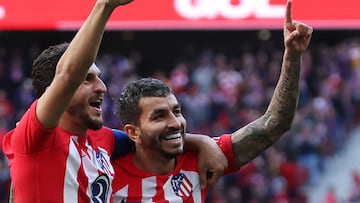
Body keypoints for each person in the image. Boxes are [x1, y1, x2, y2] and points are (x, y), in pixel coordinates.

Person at [2, 0, 228, 202]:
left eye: (99, 78)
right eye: (87, 79)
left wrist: (201, 141)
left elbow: (147, 137)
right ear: (56, 91)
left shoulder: (103, 140)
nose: (102, 87)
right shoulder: (34, 137)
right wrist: (104, 6)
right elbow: (68, 76)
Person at [111, 0, 313, 202]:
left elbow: (275, 123)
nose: (175, 122)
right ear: (133, 132)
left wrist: (292, 57)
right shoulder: (105, 175)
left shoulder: (200, 159)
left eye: (177, 111)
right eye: (159, 116)